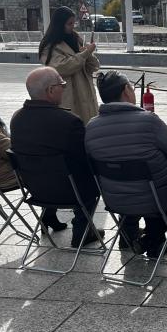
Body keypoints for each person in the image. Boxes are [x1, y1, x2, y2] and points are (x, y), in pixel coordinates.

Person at [85, 71, 167, 257]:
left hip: (115, 199)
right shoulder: (149, 121)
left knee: (131, 175)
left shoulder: (91, 127)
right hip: (156, 199)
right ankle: (152, 239)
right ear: (126, 91)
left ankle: (128, 234)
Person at [10, 67, 102, 247]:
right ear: (51, 90)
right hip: (69, 191)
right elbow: (84, 160)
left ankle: (48, 217)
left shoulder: (17, 118)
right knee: (86, 177)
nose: (64, 88)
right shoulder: (68, 121)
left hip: (34, 188)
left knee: (49, 167)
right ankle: (82, 231)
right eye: (62, 84)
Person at [38, 6, 100, 124]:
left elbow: (93, 67)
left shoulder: (75, 38)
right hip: (69, 96)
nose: (72, 27)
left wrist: (88, 54)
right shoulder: (49, 46)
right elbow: (62, 67)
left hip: (86, 95)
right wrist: (85, 53)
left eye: (73, 23)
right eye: (69, 24)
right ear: (59, 24)